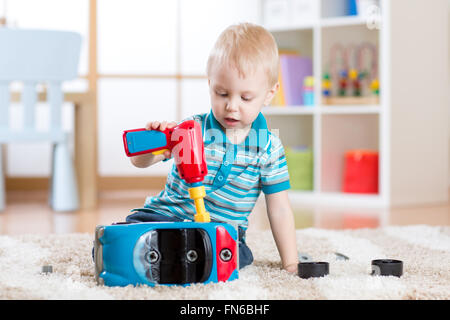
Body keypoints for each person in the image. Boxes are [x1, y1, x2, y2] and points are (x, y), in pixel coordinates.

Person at [128, 22, 298, 273]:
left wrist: (291, 263)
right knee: (128, 231)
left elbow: (280, 208)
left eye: (245, 98)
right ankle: (166, 256)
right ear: (210, 84)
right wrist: (153, 144)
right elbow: (139, 162)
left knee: (236, 255)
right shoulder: (191, 129)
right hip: (167, 218)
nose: (232, 106)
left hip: (218, 234)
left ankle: (173, 260)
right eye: (222, 93)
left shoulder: (269, 148)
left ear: (269, 93)